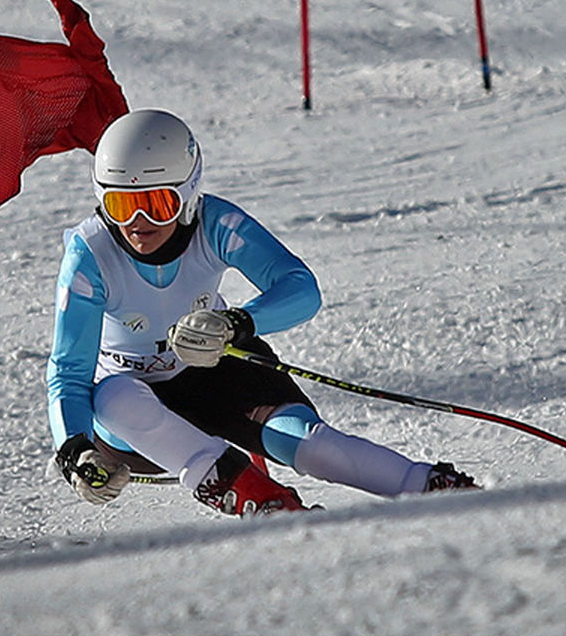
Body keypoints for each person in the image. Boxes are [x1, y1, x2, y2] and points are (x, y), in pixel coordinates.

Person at [46, 108, 477, 516]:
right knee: (113, 396)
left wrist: (237, 324)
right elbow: (69, 371)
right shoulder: (91, 255)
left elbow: (299, 287)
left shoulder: (215, 224)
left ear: (189, 195)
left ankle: (426, 484)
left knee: (305, 444)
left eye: (159, 205)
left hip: (216, 368)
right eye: (122, 205)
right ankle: (260, 499)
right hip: (133, 420)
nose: (139, 222)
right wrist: (74, 448)